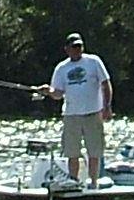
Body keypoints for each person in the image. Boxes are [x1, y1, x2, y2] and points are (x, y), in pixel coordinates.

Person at [43, 32, 114, 182]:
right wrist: (48, 91)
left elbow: (105, 83)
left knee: (94, 151)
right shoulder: (61, 68)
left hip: (93, 113)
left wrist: (107, 106)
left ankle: (93, 182)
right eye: (74, 47)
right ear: (67, 49)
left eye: (79, 46)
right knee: (72, 152)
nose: (77, 49)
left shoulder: (94, 61)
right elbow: (57, 93)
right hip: (71, 115)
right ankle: (73, 181)